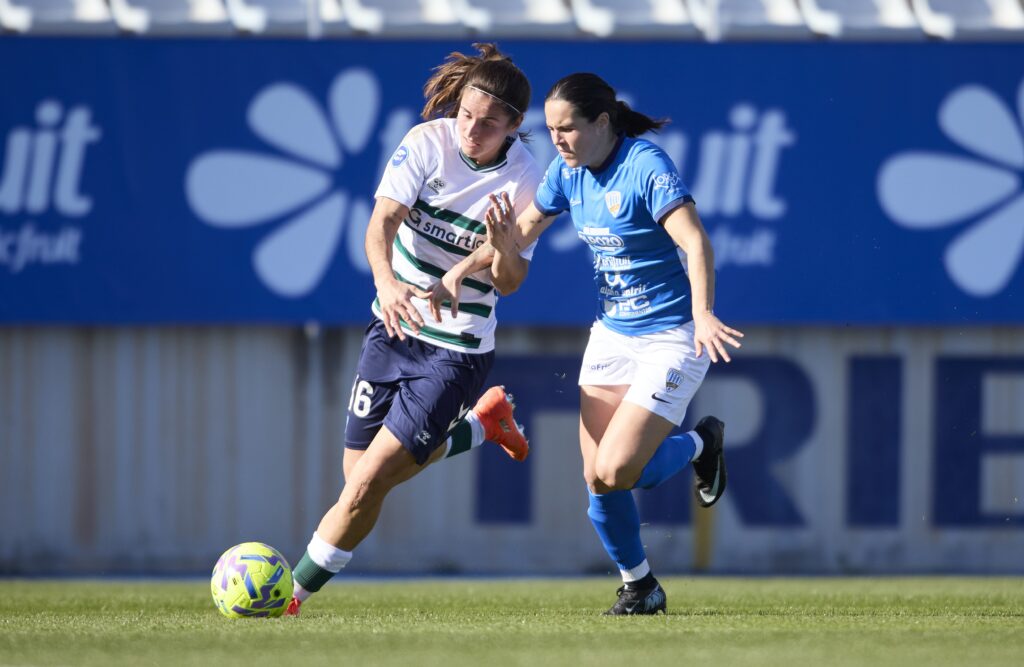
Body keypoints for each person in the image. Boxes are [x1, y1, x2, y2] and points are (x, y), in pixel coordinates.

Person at [440, 72, 744, 615]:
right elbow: (519, 236)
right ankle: (641, 586)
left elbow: (695, 241)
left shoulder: (645, 166)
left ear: (602, 122)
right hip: (611, 334)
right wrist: (462, 269)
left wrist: (702, 314)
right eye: (551, 129)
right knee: (598, 479)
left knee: (618, 469)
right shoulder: (566, 173)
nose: (557, 140)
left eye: (568, 129)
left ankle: (701, 444)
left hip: (672, 336)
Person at [285, 44, 544, 616]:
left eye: (489, 124)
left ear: (514, 127)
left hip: (457, 348)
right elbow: (381, 221)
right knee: (358, 477)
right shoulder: (426, 142)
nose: (472, 131)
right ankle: (481, 427)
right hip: (393, 325)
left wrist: (502, 244)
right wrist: (385, 282)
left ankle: (289, 600)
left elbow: (512, 281)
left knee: (365, 485)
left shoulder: (527, 178)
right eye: (467, 116)